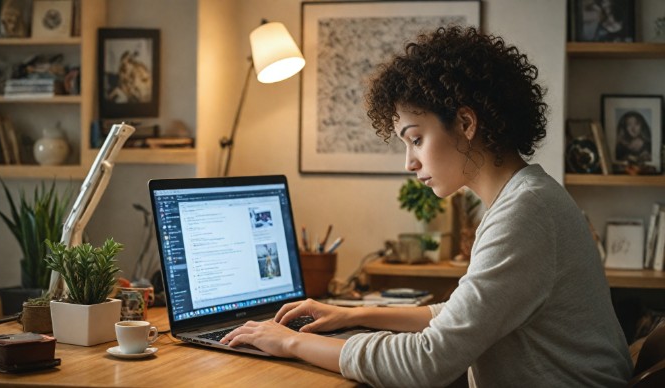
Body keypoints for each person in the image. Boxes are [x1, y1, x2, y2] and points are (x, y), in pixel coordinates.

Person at [221, 26, 632, 387]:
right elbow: (457, 314)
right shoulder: (524, 197)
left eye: (416, 139)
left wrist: (292, 341)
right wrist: (346, 313)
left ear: (467, 124)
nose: (409, 162)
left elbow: (426, 363)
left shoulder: (525, 214)